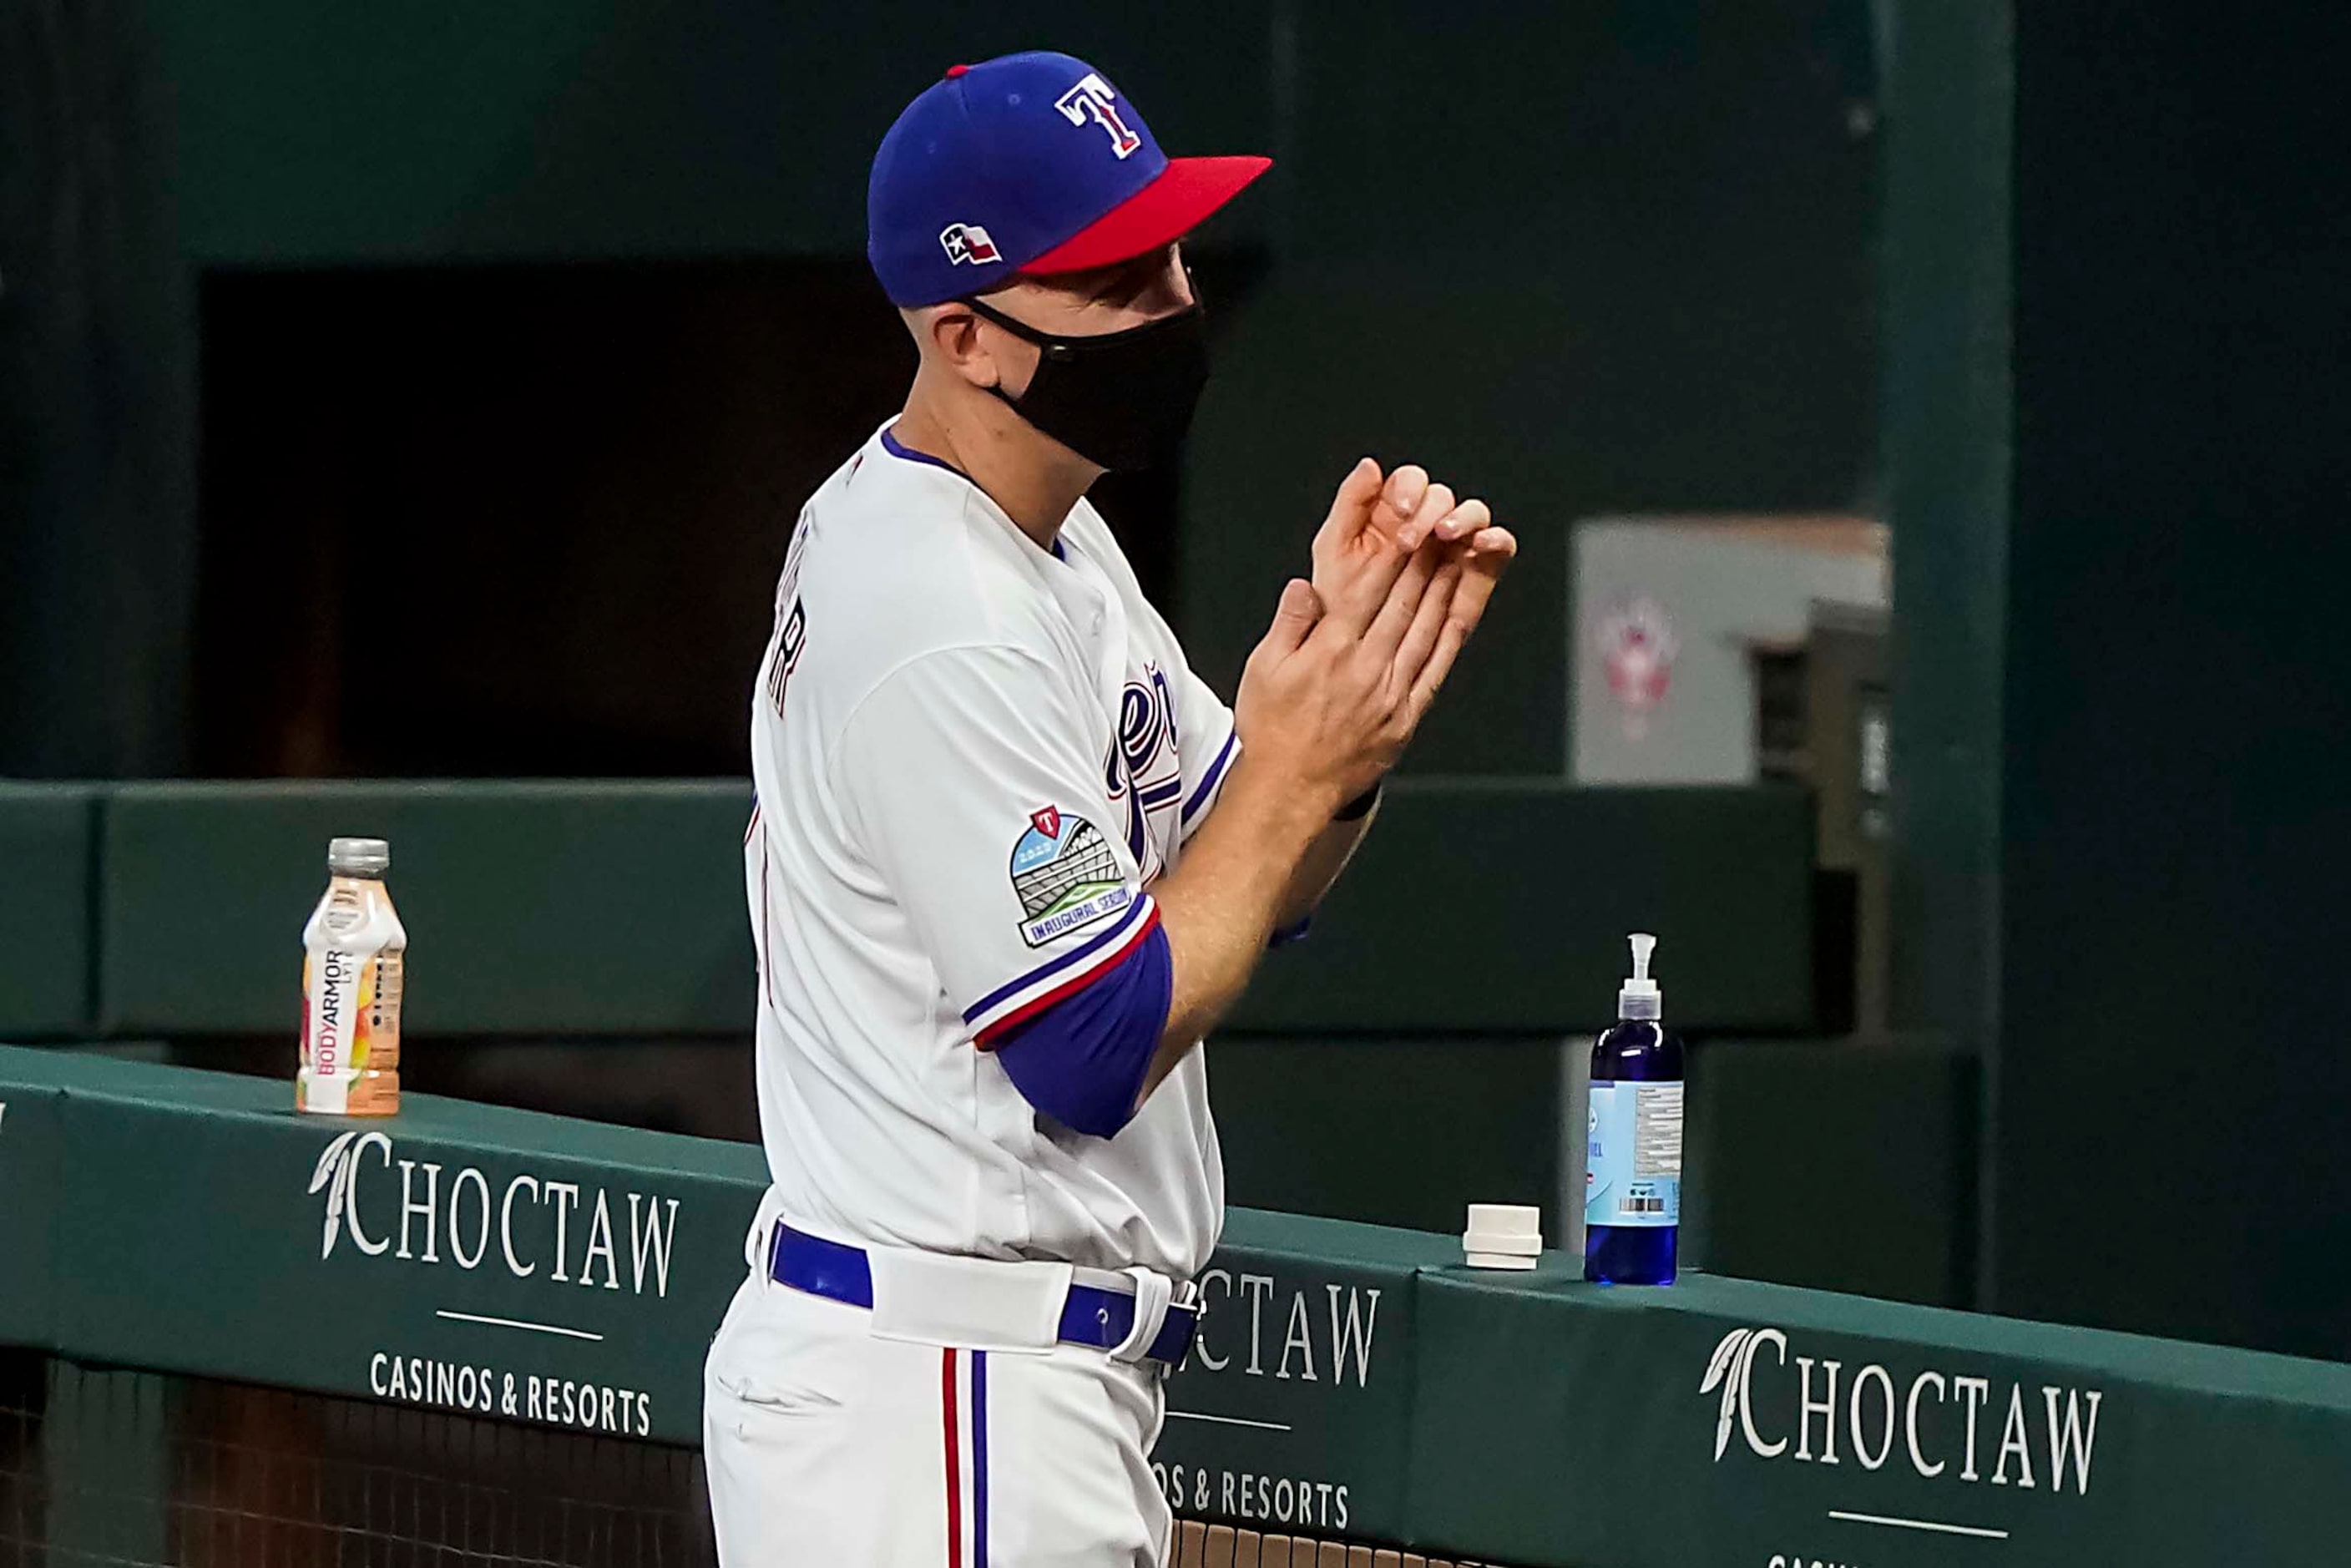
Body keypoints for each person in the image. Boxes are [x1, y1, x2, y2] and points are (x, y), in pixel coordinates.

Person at [702, 49, 1515, 1566]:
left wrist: (1340, 728)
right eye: (1116, 282)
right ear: (968, 335)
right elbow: (1089, 1040)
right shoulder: (936, 606)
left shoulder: (1050, 549)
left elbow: (1262, 877)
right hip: (935, 1406)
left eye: (1171, 256)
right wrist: (1288, 769)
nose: (1172, 306)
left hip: (992, 1393)